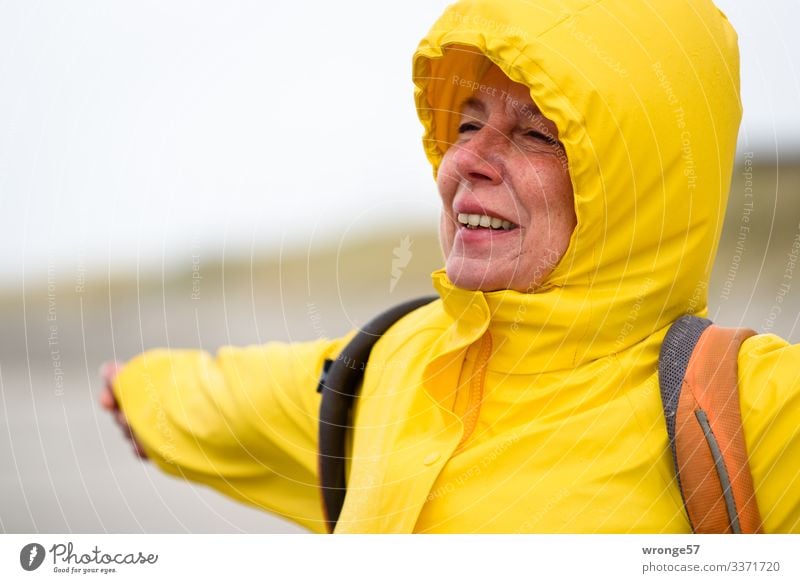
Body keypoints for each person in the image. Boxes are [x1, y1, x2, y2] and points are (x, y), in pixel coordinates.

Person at [101, 0, 800, 533]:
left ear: (642, 183)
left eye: (535, 133)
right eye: (466, 124)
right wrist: (139, 390)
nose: (464, 162)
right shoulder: (385, 368)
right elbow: (236, 401)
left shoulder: (751, 409)